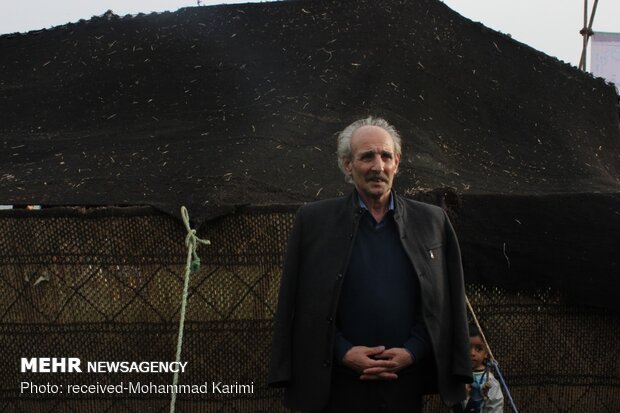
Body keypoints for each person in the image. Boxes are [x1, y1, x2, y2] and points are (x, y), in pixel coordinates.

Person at [268, 116, 472, 412]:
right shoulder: (314, 222)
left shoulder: (432, 221)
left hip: (406, 383)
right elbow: (302, 303)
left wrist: (413, 351)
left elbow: (444, 302)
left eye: (386, 156)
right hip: (339, 384)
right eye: (367, 157)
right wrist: (343, 352)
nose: (378, 166)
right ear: (347, 165)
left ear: (397, 162)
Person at [462, 325, 504, 413]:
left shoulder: (489, 380)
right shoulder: (458, 374)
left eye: (479, 349)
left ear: (486, 353)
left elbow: (495, 407)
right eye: (468, 347)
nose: (472, 353)